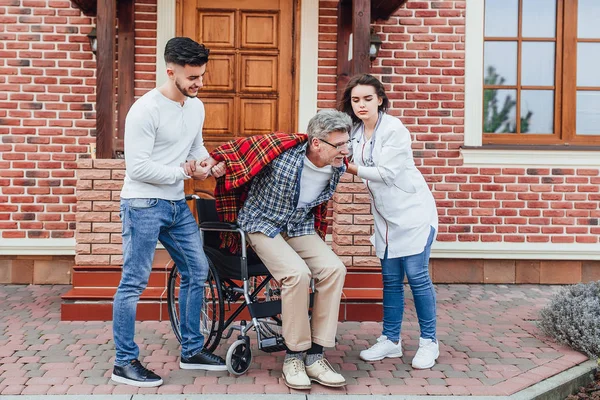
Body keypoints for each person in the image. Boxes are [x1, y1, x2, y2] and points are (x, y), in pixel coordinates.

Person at [111, 37, 227, 388]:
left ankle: (192, 350)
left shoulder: (195, 106)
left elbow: (194, 147)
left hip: (176, 204)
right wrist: (184, 172)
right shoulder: (145, 110)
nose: (199, 83)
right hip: (142, 203)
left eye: (202, 76)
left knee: (197, 269)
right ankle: (124, 362)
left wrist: (209, 163)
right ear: (170, 71)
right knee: (133, 282)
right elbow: (138, 168)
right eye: (192, 77)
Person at [213, 110, 351, 389]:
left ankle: (315, 355)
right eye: (339, 145)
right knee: (296, 274)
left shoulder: (337, 164)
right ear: (316, 143)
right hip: (261, 223)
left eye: (347, 144)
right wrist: (218, 163)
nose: (345, 151)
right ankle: (294, 356)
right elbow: (238, 151)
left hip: (297, 225)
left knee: (334, 269)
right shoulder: (281, 154)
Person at [339, 74, 439, 369]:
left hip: (413, 213)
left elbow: (388, 173)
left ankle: (429, 342)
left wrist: (349, 167)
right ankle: (391, 341)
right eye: (356, 100)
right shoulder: (355, 131)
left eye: (368, 99)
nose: (361, 105)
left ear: (380, 99)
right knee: (390, 280)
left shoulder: (395, 129)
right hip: (384, 219)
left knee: (417, 276)